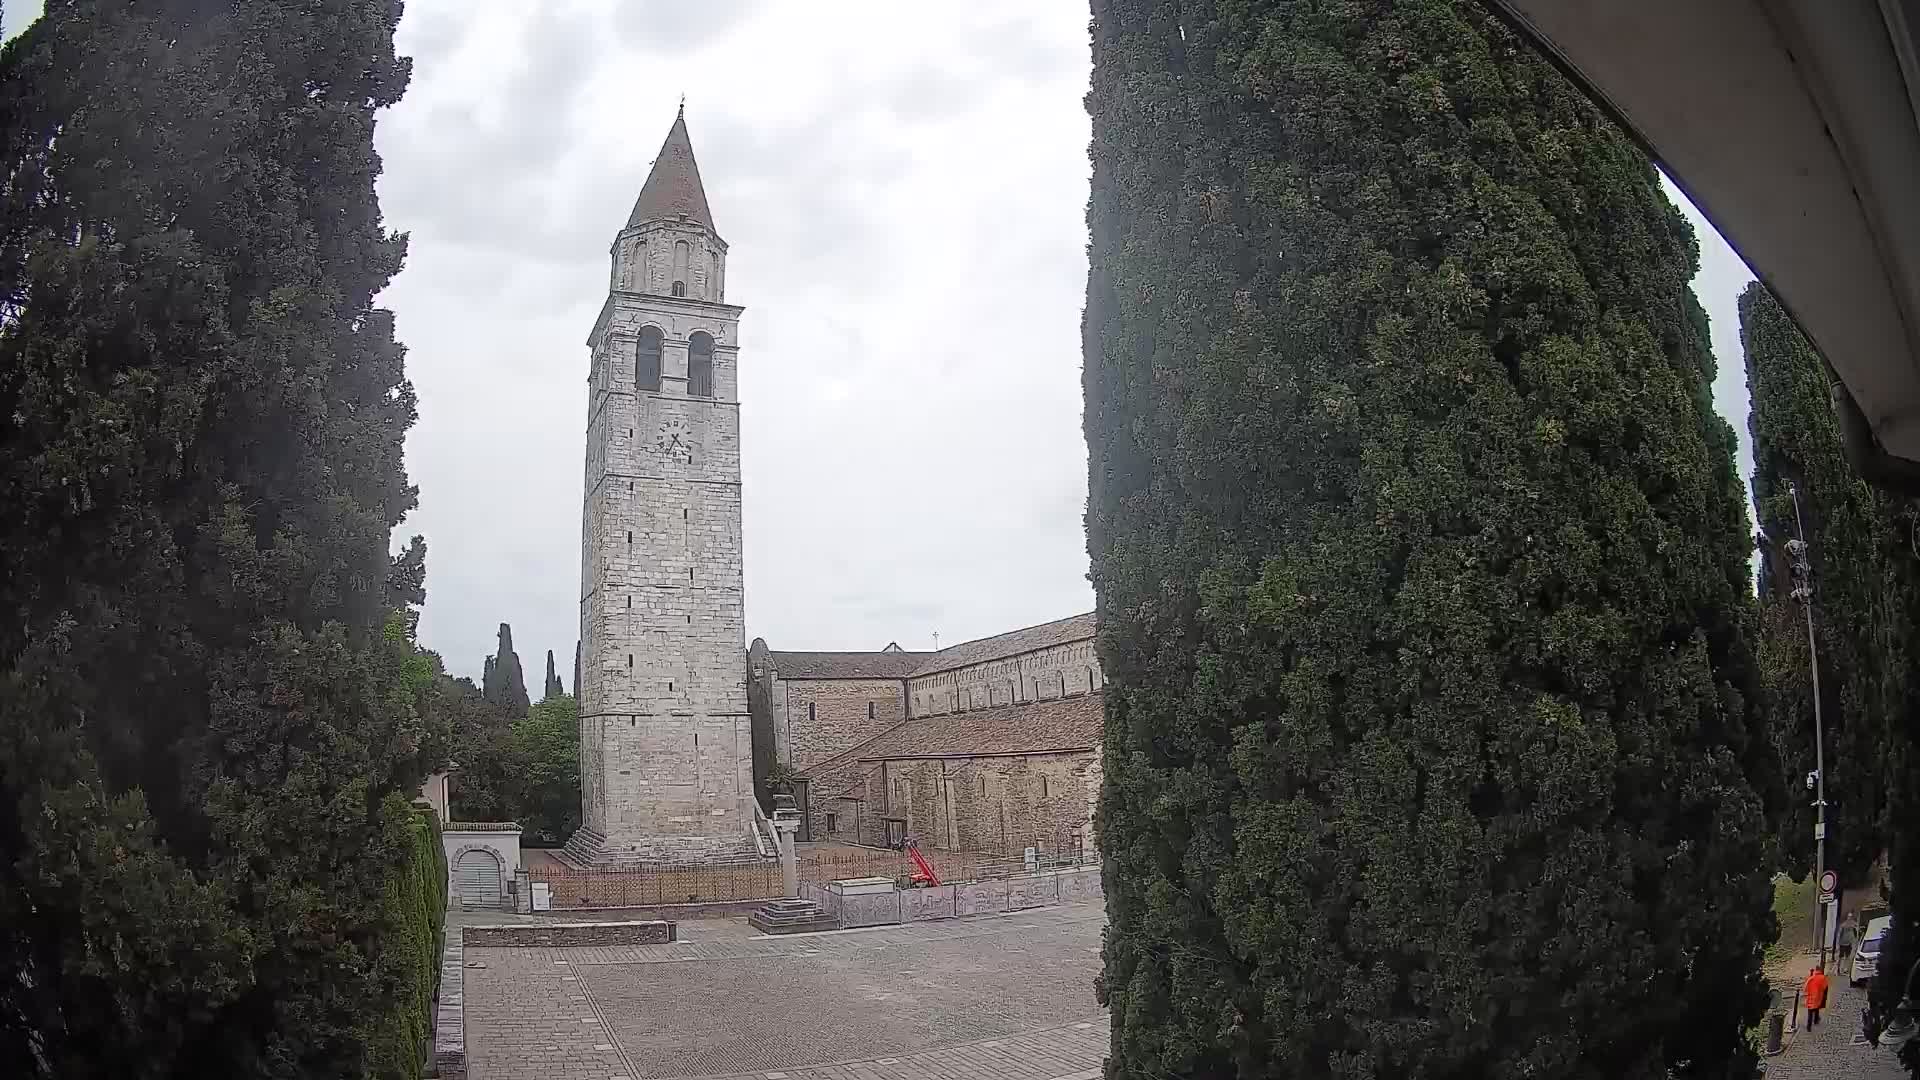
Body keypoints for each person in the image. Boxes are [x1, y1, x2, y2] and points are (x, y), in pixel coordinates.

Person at [1805, 964, 1830, 1029]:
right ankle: (1816, 1020)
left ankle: (1808, 1026)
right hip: (1818, 996)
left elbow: (1806, 988)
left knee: (1810, 1012)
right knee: (1817, 1008)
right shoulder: (1823, 978)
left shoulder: (1811, 978)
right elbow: (1825, 987)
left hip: (1810, 996)